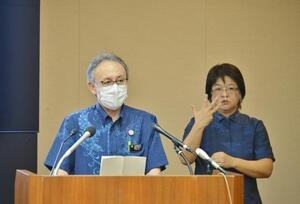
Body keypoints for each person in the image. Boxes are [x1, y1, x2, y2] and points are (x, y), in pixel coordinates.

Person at [44, 53, 168, 175]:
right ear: (92, 87)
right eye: (107, 82)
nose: (115, 87)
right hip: (85, 194)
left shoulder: (145, 122)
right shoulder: (74, 122)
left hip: (134, 195)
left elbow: (154, 172)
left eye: (120, 81)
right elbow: (59, 170)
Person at [181, 63, 275, 204]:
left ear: (241, 94)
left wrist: (233, 162)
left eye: (231, 88)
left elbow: (266, 168)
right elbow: (185, 159)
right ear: (210, 94)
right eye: (218, 89)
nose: (224, 95)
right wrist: (199, 126)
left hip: (246, 199)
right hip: (205, 198)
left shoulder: (254, 125)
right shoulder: (198, 122)